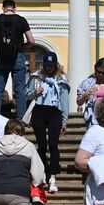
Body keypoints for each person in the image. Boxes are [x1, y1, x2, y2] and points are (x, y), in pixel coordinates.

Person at [27, 52, 71, 193]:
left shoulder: (61, 79)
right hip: (39, 111)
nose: (50, 68)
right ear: (44, 65)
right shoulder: (36, 77)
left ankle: (52, 176)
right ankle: (41, 173)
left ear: (56, 65)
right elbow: (27, 94)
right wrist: (35, 91)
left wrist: (64, 121)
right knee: (42, 144)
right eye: (47, 65)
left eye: (52, 66)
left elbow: (64, 101)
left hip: (54, 113)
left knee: (53, 144)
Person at [0, 0, 35, 118]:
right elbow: (32, 40)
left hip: (0, 58)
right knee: (20, 90)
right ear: (14, 8)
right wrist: (22, 46)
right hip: (18, 57)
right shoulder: (21, 20)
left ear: (3, 8)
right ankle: (21, 120)